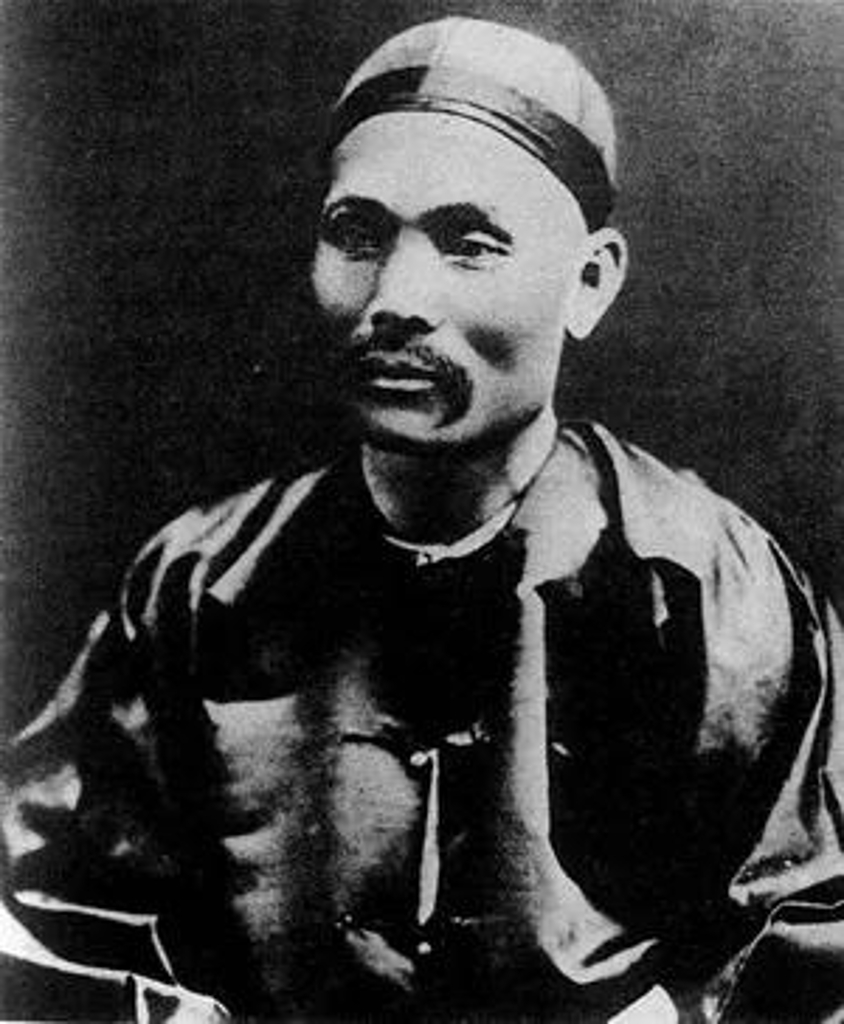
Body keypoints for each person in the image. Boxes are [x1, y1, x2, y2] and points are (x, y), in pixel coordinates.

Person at [1, 16, 842, 1023]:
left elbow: (813, 933)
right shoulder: (199, 585)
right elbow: (40, 910)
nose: (394, 298)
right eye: (357, 234)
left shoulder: (708, 587)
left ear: (589, 282)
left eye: (468, 243)